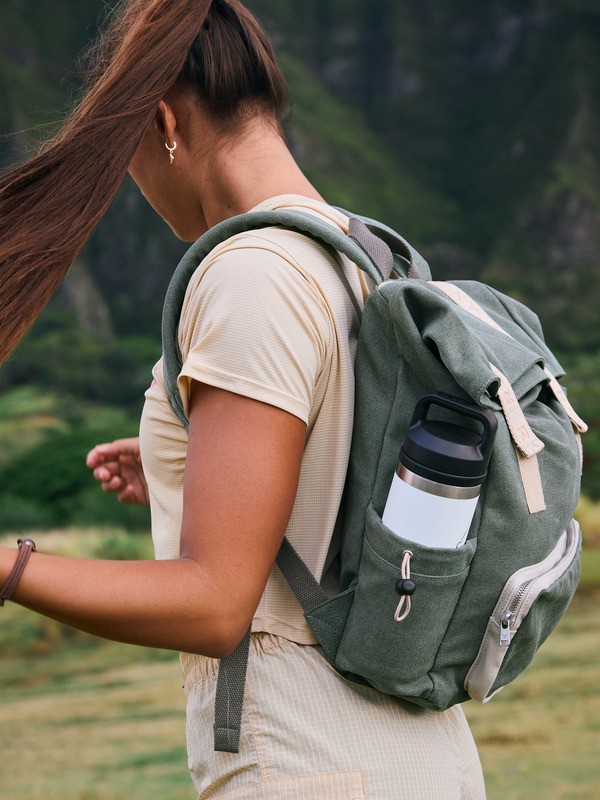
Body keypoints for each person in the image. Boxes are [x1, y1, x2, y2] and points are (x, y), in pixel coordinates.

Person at [0, 1, 486, 797]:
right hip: (419, 755)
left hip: (310, 760)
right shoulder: (364, 255)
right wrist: (187, 470)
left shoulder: (251, 272)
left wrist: (11, 568)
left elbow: (215, 603)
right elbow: (345, 487)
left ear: (164, 123)